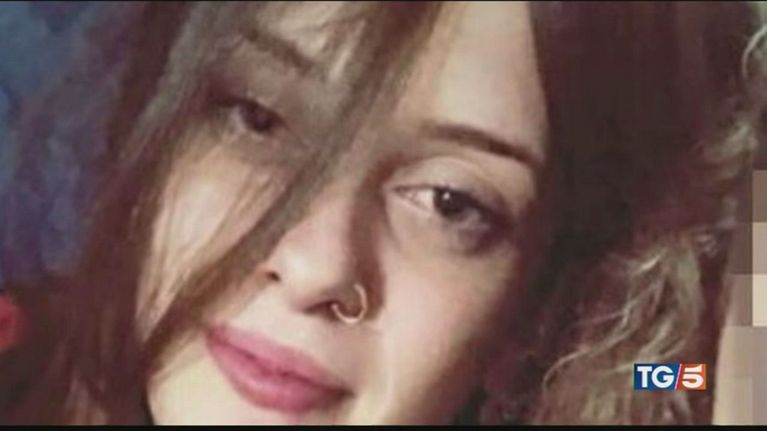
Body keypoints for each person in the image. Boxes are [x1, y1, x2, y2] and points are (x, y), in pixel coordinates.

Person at [0, 1, 762, 425]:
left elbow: (675, 372)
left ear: (532, 304)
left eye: (450, 203)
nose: (315, 266)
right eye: (258, 118)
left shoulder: (583, 371)